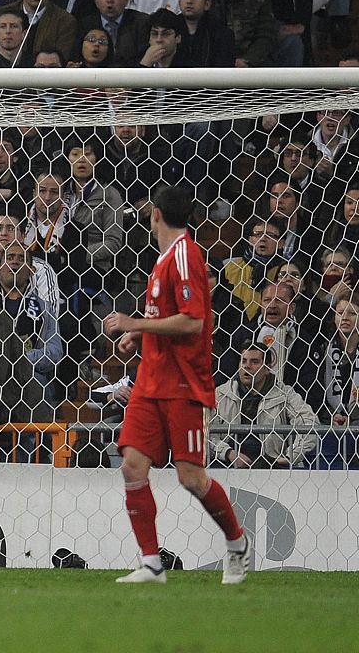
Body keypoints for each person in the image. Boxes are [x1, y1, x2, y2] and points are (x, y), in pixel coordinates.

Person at [102, 184, 251, 584]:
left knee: (191, 478)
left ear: (154, 214)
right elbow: (167, 317)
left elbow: (193, 321)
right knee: (133, 467)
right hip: (150, 383)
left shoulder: (185, 256)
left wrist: (133, 323)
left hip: (183, 385)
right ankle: (151, 563)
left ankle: (237, 543)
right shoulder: (166, 257)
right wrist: (140, 335)